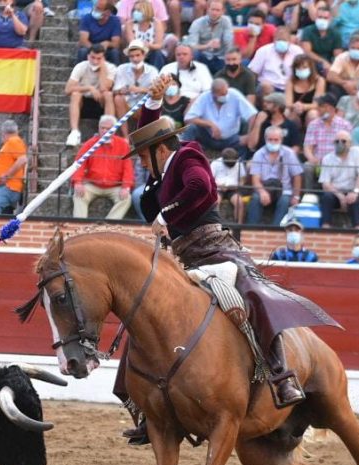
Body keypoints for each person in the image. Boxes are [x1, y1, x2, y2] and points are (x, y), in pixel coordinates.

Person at [118, 73, 337, 428]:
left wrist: (165, 212)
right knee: (146, 312)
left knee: (251, 295)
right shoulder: (161, 169)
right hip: (182, 256)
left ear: (160, 150)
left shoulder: (188, 155)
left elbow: (200, 187)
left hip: (215, 248)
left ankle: (282, 376)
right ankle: (141, 401)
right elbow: (150, 133)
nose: (141, 163)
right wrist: (153, 102)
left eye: (143, 156)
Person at [70, 115, 135, 219]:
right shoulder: (90, 144)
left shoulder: (123, 145)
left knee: (126, 199)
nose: (105, 131)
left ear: (114, 129)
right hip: (93, 185)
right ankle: (80, 227)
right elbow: (79, 164)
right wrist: (77, 183)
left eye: (108, 128)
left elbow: (128, 168)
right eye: (102, 128)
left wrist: (126, 187)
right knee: (78, 195)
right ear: (98, 128)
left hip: (115, 186)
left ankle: (108, 226)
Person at [247, 125, 303, 225]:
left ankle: (276, 230)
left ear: (281, 140)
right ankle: (251, 230)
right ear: (265, 139)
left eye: (276, 140)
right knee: (255, 199)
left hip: (284, 190)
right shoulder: (258, 154)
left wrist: (296, 196)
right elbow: (255, 179)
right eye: (270, 139)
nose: (273, 142)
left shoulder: (289, 153)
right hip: (265, 188)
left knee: (285, 201)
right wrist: (262, 192)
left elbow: (297, 175)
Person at [183, 78, 257, 151]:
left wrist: (249, 134)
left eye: (226, 92)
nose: (226, 95)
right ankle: (183, 153)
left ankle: (242, 161)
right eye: (222, 94)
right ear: (213, 93)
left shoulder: (234, 95)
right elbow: (188, 119)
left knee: (244, 140)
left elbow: (252, 115)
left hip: (231, 139)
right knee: (191, 128)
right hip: (208, 137)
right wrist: (210, 124)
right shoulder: (204, 97)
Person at [65, 44, 116, 148]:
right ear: (88, 56)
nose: (95, 61)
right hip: (84, 103)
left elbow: (104, 88)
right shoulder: (81, 66)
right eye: (92, 57)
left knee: (108, 94)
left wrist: (102, 69)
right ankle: (74, 132)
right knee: (75, 94)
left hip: (100, 103)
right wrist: (89, 88)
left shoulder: (110, 68)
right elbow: (68, 89)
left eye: (99, 58)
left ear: (103, 58)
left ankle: (108, 132)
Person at [319, 129, 359, 228]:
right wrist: (340, 196)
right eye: (337, 141)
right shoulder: (327, 158)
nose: (340, 143)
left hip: (352, 191)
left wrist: (355, 191)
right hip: (335, 193)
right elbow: (325, 184)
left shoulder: (356, 152)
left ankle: (358, 230)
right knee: (326, 197)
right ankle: (325, 227)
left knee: (355, 199)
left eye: (343, 141)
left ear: (350, 143)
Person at [0, 119, 27, 214]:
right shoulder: (11, 142)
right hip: (4, 187)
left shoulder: (14, 141)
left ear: (3, 133)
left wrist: (7, 175)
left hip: (8, 187)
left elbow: (22, 159)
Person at [303, 93, 352, 171]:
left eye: (321, 106)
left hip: (339, 162)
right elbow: (308, 148)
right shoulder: (313, 125)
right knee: (308, 166)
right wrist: (313, 159)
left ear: (330, 108)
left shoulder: (345, 125)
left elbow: (349, 147)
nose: (318, 109)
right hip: (318, 162)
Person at [247, 27, 302, 94]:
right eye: (279, 40)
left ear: (290, 40)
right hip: (270, 86)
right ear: (274, 39)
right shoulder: (264, 51)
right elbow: (253, 72)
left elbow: (302, 70)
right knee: (265, 86)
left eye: (284, 40)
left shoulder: (297, 51)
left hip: (291, 87)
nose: (281, 42)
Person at [245, 91, 302, 156]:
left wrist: (284, 157)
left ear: (277, 106)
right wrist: (258, 123)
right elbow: (251, 145)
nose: (265, 104)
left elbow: (296, 147)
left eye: (269, 103)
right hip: (262, 159)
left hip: (282, 161)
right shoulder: (262, 123)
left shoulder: (290, 126)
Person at [114, 40, 159, 121]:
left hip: (144, 105)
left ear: (144, 55)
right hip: (127, 105)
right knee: (118, 98)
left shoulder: (152, 71)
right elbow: (115, 91)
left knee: (153, 100)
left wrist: (140, 90)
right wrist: (122, 90)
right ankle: (124, 133)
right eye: (132, 56)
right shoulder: (121, 68)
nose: (135, 59)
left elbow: (156, 91)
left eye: (138, 55)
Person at [185, 0, 232, 74]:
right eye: (212, 9)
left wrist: (224, 41)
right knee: (194, 53)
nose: (214, 13)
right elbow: (191, 46)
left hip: (220, 57)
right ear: (207, 9)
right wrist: (207, 45)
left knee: (232, 56)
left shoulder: (226, 21)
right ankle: (192, 75)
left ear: (223, 11)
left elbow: (229, 42)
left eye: (217, 10)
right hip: (203, 56)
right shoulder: (197, 23)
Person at [325, 33, 359, 98]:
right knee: (334, 87)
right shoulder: (341, 57)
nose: (355, 50)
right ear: (348, 47)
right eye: (353, 48)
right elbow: (330, 76)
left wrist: (355, 85)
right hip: (343, 87)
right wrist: (344, 83)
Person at [299, 2, 341, 75]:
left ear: (330, 19)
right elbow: (307, 52)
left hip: (329, 63)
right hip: (312, 62)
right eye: (320, 17)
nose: (322, 20)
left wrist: (332, 67)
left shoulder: (335, 33)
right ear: (316, 17)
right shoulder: (308, 30)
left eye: (325, 18)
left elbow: (337, 55)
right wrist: (322, 61)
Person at [123, 0, 167, 69]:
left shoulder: (157, 23)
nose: (135, 12)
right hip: (136, 51)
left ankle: (156, 76)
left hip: (152, 51)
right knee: (133, 53)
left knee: (157, 53)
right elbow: (132, 43)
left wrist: (149, 45)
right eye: (134, 10)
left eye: (138, 10)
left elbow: (159, 45)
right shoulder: (129, 24)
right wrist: (141, 47)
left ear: (146, 11)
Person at [285, 53, 325, 129]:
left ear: (310, 68)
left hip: (311, 110)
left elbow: (317, 104)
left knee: (313, 114)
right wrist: (295, 107)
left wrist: (303, 106)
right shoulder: (290, 81)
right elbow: (288, 103)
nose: (301, 70)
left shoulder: (319, 80)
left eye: (304, 67)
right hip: (295, 110)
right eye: (298, 68)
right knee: (286, 112)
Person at [77, 0, 122, 65]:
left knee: (115, 53)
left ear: (107, 12)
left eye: (98, 9)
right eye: (95, 7)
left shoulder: (115, 21)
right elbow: (83, 41)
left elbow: (116, 43)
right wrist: (95, 49)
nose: (94, 10)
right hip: (90, 48)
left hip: (106, 50)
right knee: (82, 51)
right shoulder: (86, 18)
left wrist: (108, 43)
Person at [210, 146, 245, 223]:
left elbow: (242, 180)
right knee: (215, 202)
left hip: (233, 189)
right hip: (218, 188)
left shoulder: (239, 164)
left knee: (239, 202)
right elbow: (210, 179)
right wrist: (219, 185)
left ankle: (238, 226)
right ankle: (216, 224)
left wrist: (237, 186)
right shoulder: (215, 163)